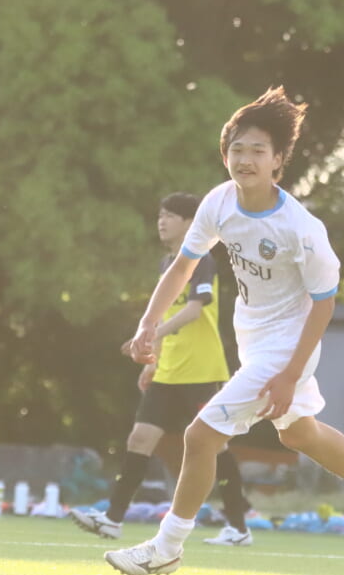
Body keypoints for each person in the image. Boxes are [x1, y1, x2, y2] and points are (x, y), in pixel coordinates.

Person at [104, 88, 344, 575]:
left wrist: (289, 373)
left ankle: (167, 547)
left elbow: (324, 304)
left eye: (257, 151)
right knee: (299, 433)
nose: (245, 159)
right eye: (237, 149)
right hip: (253, 338)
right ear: (225, 155)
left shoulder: (301, 228)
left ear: (278, 161)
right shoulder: (219, 202)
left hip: (290, 344)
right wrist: (148, 324)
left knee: (200, 435)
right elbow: (182, 266)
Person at [69, 193, 252, 546]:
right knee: (139, 439)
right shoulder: (167, 263)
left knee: (215, 446)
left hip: (201, 370)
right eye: (160, 215)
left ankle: (238, 528)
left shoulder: (202, 260)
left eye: (169, 215)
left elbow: (194, 311)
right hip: (169, 371)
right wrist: (154, 361)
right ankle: (112, 519)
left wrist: (151, 334)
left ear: (190, 222)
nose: (161, 222)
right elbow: (168, 312)